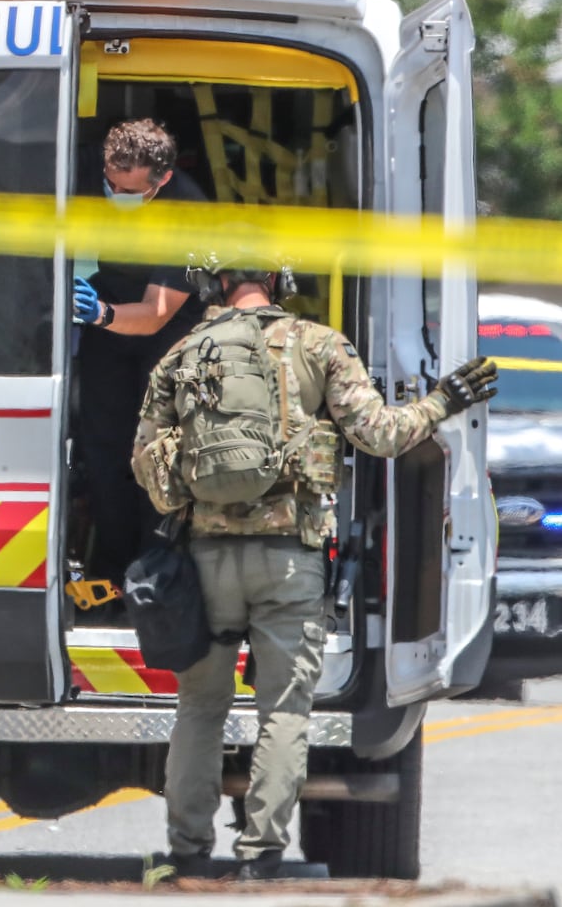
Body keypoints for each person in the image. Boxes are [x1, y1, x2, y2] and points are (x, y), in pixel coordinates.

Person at [131, 249, 499, 881]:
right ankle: (260, 858)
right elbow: (380, 434)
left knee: (199, 709)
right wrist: (444, 402)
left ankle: (187, 855)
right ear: (276, 281)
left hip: (204, 561)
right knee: (283, 711)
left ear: (215, 284)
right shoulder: (319, 344)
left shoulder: (182, 353)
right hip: (289, 563)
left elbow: (146, 464)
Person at [72, 118, 209, 587]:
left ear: (162, 180)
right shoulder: (95, 165)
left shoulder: (188, 210)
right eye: (110, 183)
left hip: (164, 335)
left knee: (156, 454)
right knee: (104, 451)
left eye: (127, 190)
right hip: (106, 323)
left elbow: (155, 312)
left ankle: (153, 575)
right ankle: (109, 571)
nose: (114, 193)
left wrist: (100, 314)